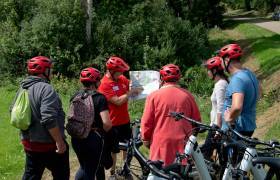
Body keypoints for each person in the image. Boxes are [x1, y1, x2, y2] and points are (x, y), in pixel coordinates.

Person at [10, 56, 69, 180]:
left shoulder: (22, 88)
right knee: (61, 175)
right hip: (49, 145)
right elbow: (48, 118)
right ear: (44, 71)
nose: (52, 73)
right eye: (50, 70)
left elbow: (12, 110)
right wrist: (59, 141)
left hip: (29, 144)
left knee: (31, 175)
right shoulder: (47, 89)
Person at [141, 64, 201, 176]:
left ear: (161, 79)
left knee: (159, 174)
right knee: (182, 174)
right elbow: (197, 122)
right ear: (179, 78)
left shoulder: (153, 96)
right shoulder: (188, 95)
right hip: (182, 144)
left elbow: (146, 122)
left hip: (160, 144)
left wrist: (146, 139)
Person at [98, 56, 141, 178]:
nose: (122, 74)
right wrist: (130, 93)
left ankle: (126, 169)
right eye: (119, 72)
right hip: (112, 123)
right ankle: (113, 172)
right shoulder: (104, 85)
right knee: (113, 150)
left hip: (125, 121)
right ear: (111, 71)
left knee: (127, 148)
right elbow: (117, 101)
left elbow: (131, 85)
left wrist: (136, 83)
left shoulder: (121, 78)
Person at [71, 67, 112, 180]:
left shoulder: (75, 96)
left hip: (76, 136)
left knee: (84, 165)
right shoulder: (100, 98)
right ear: (96, 82)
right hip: (93, 138)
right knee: (88, 170)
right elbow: (107, 124)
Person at [218, 43, 260, 136]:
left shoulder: (237, 79)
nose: (221, 64)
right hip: (249, 124)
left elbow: (237, 106)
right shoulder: (249, 73)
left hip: (237, 129)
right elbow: (260, 92)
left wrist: (229, 118)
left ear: (227, 60)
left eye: (221, 60)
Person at [200, 56, 228, 160]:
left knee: (206, 156)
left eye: (208, 70)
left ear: (214, 70)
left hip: (217, 126)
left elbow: (221, 107)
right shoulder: (220, 83)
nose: (207, 72)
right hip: (215, 125)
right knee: (214, 155)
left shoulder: (221, 85)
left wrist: (218, 130)